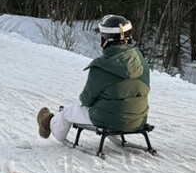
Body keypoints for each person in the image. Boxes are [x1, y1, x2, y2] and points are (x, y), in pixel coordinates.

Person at [37, 14, 150, 143]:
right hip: (138, 119)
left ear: (105, 40)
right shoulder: (141, 61)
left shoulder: (102, 66)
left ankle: (48, 123)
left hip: (109, 119)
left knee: (69, 112)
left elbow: (86, 100)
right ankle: (119, 123)